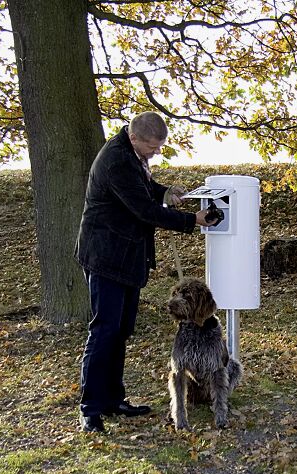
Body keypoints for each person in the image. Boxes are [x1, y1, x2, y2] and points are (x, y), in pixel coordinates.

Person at [74, 111, 216, 433]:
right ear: (134, 137)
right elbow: (143, 210)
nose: (156, 152)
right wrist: (192, 220)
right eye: (152, 147)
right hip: (105, 256)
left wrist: (165, 192)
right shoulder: (116, 161)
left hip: (127, 257)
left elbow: (145, 189)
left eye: (159, 146)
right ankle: (90, 409)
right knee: (104, 331)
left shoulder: (133, 154)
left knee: (121, 331)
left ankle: (113, 400)